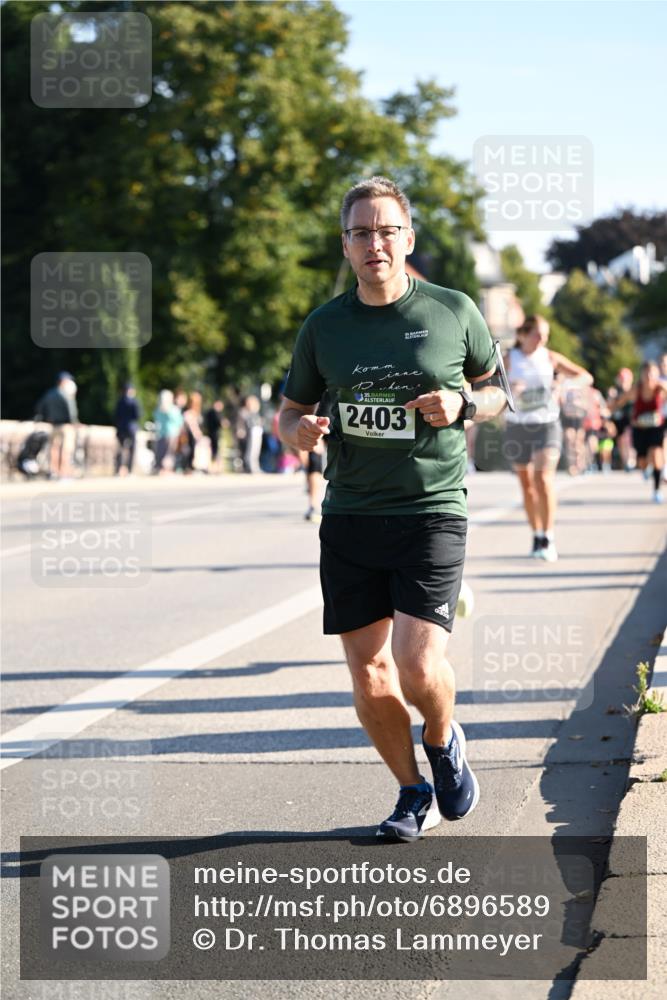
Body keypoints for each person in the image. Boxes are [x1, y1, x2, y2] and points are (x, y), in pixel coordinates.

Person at [279, 176, 510, 843]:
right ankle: (411, 791)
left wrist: (465, 405)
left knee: (414, 665)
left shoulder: (451, 310)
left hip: (431, 509)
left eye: (386, 231)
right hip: (350, 514)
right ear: (345, 246)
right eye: (360, 232)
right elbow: (289, 409)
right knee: (370, 672)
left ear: (406, 239)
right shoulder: (323, 327)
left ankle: (441, 738)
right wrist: (295, 431)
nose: (374, 243)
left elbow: (495, 392)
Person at [503, 316, 592, 562]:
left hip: (546, 424)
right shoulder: (510, 359)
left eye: (545, 335)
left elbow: (586, 376)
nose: (542, 339)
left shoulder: (550, 357)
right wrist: (511, 388)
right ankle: (536, 533)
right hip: (518, 425)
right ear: (523, 334)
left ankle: (548, 537)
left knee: (543, 478)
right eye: (537, 334)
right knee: (527, 485)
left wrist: (563, 385)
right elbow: (488, 385)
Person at [614, 360, 666, 503]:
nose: (649, 376)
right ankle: (645, 468)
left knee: (656, 455)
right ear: (642, 374)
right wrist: (610, 407)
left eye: (652, 373)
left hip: (656, 427)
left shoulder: (660, 388)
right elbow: (621, 400)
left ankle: (656, 490)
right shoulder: (637, 388)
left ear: (657, 374)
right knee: (642, 461)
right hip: (639, 428)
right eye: (646, 372)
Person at [34, 371, 79, 479]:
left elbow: (39, 407)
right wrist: (75, 422)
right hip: (66, 426)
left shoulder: (49, 393)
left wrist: (45, 417)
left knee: (54, 448)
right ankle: (64, 472)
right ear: (63, 381)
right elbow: (72, 412)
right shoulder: (67, 394)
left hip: (53, 425)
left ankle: (54, 471)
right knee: (66, 449)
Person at [607, 368, 636, 472]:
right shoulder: (615, 391)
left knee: (628, 438)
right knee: (621, 441)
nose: (623, 381)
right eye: (622, 379)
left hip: (631, 419)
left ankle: (630, 461)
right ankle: (626, 462)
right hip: (619, 420)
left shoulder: (633, 390)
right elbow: (609, 407)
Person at [152, 389, 183, 474]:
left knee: (164, 452)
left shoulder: (160, 410)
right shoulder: (173, 410)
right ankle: (165, 469)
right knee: (168, 453)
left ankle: (163, 468)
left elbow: (156, 419)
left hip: (165, 434)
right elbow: (180, 422)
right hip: (169, 434)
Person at [113, 382, 141, 476]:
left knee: (121, 449)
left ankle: (118, 470)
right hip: (130, 428)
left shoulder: (120, 401)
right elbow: (138, 415)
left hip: (122, 428)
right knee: (130, 449)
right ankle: (129, 470)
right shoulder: (134, 402)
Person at [236, 395, 264, 474]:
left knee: (256, 450)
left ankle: (255, 466)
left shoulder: (256, 412)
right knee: (251, 450)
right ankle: (250, 467)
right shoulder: (245, 412)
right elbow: (242, 423)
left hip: (258, 431)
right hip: (252, 431)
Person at [182, 391, 205, 474]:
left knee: (194, 451)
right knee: (190, 450)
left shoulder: (197, 413)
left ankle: (193, 466)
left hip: (195, 435)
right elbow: (192, 426)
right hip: (190, 435)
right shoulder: (188, 413)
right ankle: (189, 467)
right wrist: (197, 434)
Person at [205, 399, 225, 471]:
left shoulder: (209, 412)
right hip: (214, 434)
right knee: (214, 451)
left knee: (214, 451)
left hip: (211, 433)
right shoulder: (214, 413)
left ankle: (214, 467)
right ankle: (214, 467)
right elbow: (220, 422)